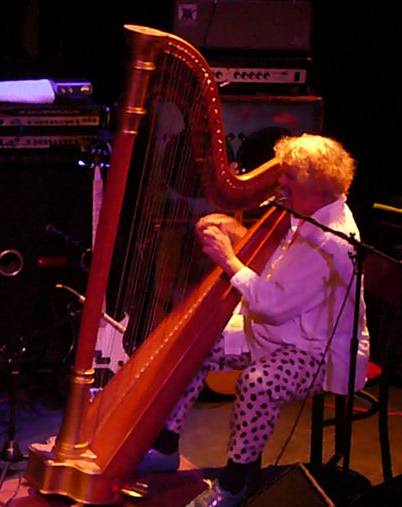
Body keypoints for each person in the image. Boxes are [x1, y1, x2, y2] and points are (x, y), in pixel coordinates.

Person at [136, 133, 370, 506]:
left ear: (319, 190)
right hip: (278, 330)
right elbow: (279, 268)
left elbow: (272, 305)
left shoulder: (331, 240)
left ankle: (234, 483)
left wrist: (228, 259)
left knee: (258, 383)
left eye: (289, 179)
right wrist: (238, 233)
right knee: (196, 342)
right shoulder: (306, 210)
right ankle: (166, 447)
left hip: (316, 350)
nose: (280, 184)